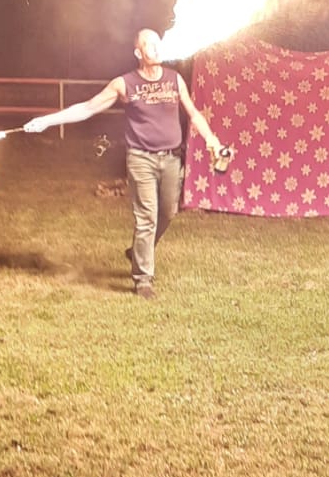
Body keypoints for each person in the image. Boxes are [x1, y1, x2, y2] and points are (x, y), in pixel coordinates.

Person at [23, 29, 225, 298]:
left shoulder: (174, 79)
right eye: (149, 45)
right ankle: (143, 279)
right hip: (141, 159)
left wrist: (212, 139)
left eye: (158, 43)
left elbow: (193, 113)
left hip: (171, 157)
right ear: (138, 52)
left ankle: (138, 251)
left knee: (168, 213)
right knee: (147, 217)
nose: (156, 48)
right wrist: (47, 121)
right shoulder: (124, 84)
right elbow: (87, 108)